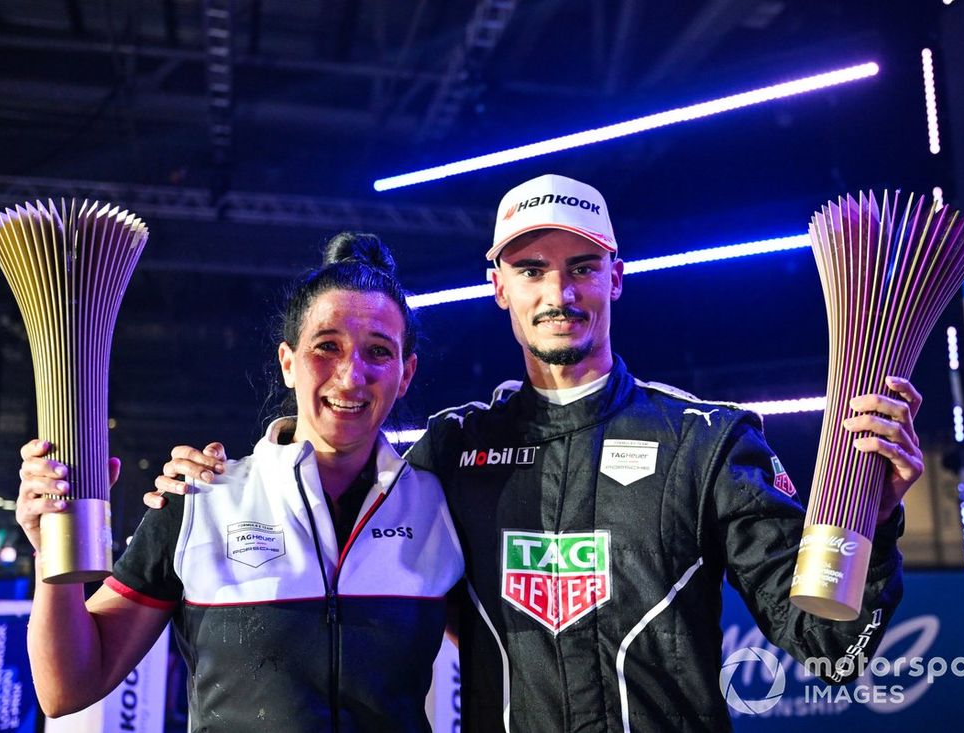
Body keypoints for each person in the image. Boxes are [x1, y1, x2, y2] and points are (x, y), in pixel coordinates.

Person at [152, 175, 923, 732]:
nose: (560, 291)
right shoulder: (453, 450)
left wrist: (876, 515)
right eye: (531, 269)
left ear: (617, 277)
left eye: (582, 266)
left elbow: (830, 648)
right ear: (499, 287)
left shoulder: (706, 441)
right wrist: (219, 482)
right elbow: (337, 464)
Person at [16, 233, 464, 732]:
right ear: (288, 363)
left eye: (378, 352)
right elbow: (66, 688)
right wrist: (47, 551)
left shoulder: (438, 505)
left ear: (405, 374)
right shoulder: (198, 498)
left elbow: (524, 655)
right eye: (327, 347)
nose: (350, 375)